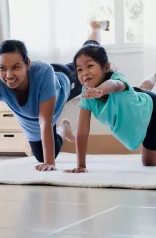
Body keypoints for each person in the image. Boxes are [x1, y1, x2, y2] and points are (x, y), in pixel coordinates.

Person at [0, 21, 109, 172]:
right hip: (41, 121)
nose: (8, 75)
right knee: (41, 157)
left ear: (27, 64)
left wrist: (50, 163)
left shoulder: (43, 72)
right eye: (2, 68)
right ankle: (63, 128)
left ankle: (95, 29)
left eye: (15, 67)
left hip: (63, 81)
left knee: (88, 56)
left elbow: (45, 120)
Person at [63, 42, 156, 173]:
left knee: (144, 92)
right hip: (137, 111)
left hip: (152, 110)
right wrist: (81, 165)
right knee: (148, 163)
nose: (84, 73)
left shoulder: (116, 77)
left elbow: (114, 85)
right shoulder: (87, 94)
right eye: (79, 69)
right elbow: (82, 130)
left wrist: (100, 91)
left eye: (90, 66)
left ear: (106, 67)